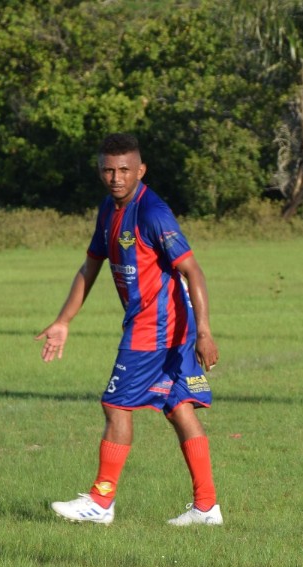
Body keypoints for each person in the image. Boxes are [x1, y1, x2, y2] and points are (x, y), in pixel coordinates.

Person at [36, 133, 222, 526]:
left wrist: (204, 331)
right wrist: (63, 321)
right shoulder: (109, 209)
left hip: (156, 328)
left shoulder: (153, 213)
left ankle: (102, 500)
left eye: (124, 170)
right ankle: (207, 507)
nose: (116, 177)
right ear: (100, 171)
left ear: (141, 170)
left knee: (115, 404)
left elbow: (193, 271)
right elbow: (90, 266)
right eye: (108, 169)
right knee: (178, 407)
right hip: (160, 327)